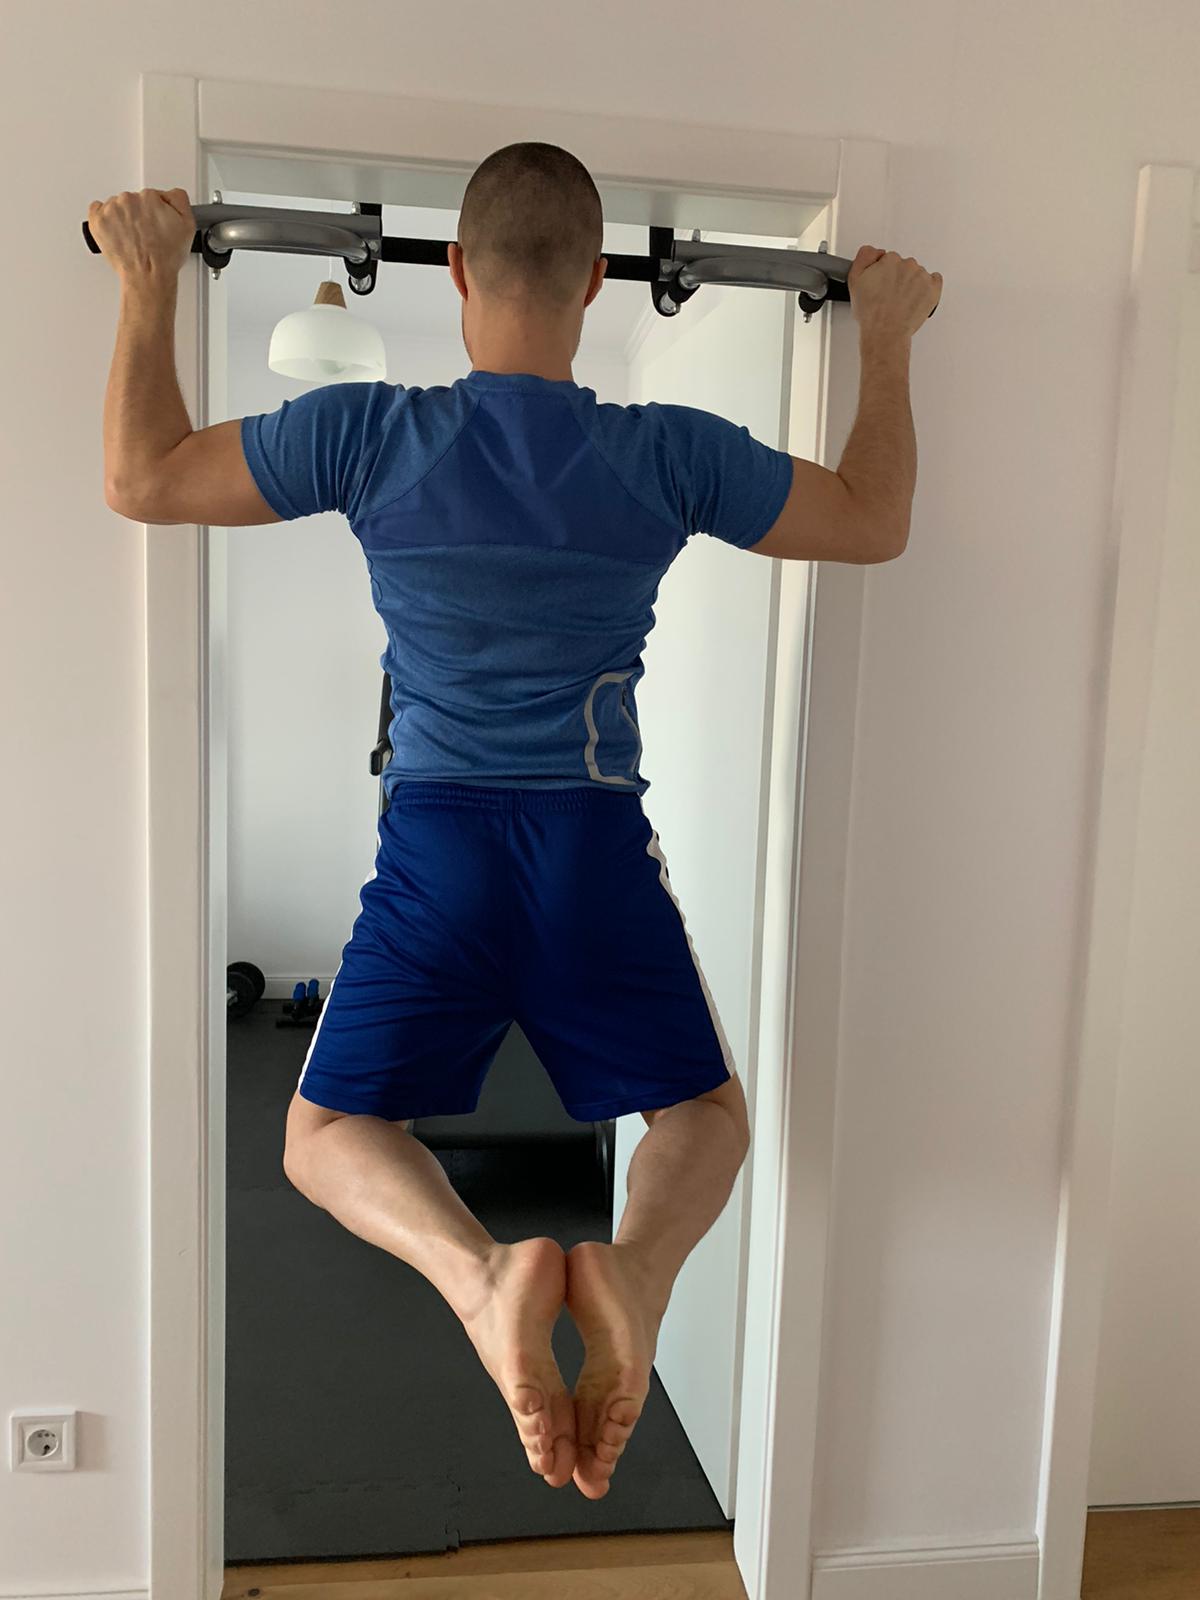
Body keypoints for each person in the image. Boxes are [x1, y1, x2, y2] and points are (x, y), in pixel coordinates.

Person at [91, 142, 940, 1500]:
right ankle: (636, 1272)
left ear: (459, 274)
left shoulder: (368, 432)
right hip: (593, 844)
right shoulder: (665, 452)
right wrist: (885, 342)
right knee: (702, 1118)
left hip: (440, 849)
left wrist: (147, 283)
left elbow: (143, 479)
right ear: (595, 281)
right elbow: (873, 519)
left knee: (325, 1137)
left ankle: (481, 1276)